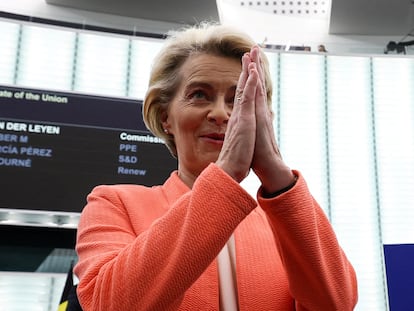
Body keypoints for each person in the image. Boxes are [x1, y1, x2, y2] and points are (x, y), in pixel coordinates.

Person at [74, 22, 358, 310]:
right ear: (165, 118)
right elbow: (107, 304)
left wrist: (276, 173)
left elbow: (336, 303)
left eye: (238, 98)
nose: (222, 113)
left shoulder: (284, 220)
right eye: (199, 94)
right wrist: (224, 177)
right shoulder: (114, 203)